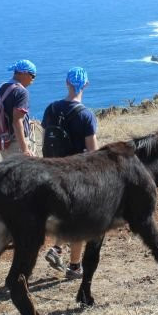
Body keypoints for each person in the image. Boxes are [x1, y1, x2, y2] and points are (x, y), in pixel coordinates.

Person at [41, 66, 99, 279]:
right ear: (86, 85)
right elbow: (93, 153)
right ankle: (74, 267)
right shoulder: (86, 115)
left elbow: (46, 140)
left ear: (66, 83)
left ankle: (56, 249)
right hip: (77, 175)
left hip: (53, 170)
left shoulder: (51, 109)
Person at [0, 59, 37, 158]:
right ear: (24, 73)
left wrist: (27, 121)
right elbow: (17, 121)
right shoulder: (22, 92)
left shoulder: (2, 88)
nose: (33, 80)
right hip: (17, 143)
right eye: (33, 76)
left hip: (4, 141)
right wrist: (25, 149)